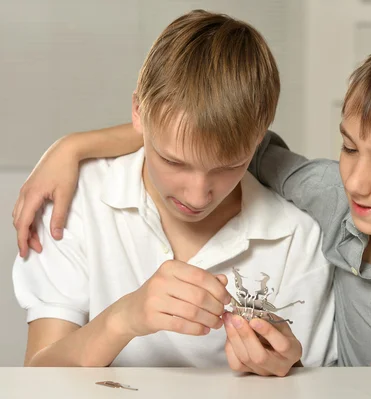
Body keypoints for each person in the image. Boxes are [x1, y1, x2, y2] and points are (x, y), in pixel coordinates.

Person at [14, 35, 371, 379]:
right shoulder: (321, 192)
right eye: (347, 148)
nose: (359, 183)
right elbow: (212, 136)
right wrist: (73, 147)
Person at [11, 9, 336, 376]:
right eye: (174, 162)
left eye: (228, 166)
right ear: (137, 112)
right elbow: (37, 374)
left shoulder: (297, 237)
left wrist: (288, 366)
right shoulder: (78, 202)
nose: (198, 196)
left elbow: (316, 384)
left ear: (259, 138)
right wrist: (124, 318)